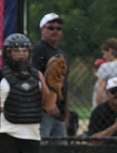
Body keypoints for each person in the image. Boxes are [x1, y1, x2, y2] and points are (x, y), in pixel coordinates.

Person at [32, 13, 70, 141]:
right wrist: (49, 104)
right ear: (42, 30)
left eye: (58, 28)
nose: (55, 31)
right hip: (43, 111)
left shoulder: (61, 54)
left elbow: (65, 86)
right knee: (41, 149)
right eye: (51, 28)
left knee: (60, 152)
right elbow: (36, 78)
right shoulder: (38, 51)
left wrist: (67, 115)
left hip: (59, 112)